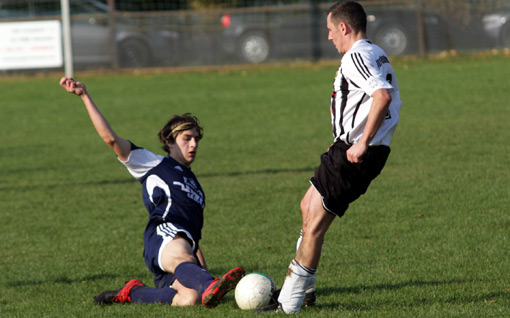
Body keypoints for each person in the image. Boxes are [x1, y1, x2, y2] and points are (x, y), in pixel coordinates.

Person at [258, 1, 402, 313]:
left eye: (330, 30)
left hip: (355, 154)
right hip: (345, 150)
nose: (328, 37)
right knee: (307, 205)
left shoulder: (356, 56)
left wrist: (363, 143)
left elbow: (382, 96)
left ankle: (289, 303)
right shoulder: (375, 52)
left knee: (314, 228)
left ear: (344, 28)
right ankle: (305, 289)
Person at [59, 77, 245, 308]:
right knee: (184, 257)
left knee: (190, 299)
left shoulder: (195, 185)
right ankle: (209, 282)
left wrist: (201, 277)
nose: (194, 144)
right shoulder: (153, 163)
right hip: (163, 237)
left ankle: (133, 292)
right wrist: (84, 96)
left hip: (181, 251)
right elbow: (111, 139)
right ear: (169, 142)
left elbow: (192, 239)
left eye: (196, 139)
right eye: (187, 139)